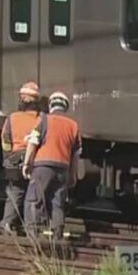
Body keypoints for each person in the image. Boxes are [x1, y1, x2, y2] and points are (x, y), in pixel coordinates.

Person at [22, 91, 80, 239]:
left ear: (51, 105)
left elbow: (33, 142)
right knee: (57, 202)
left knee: (34, 199)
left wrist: (27, 163)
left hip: (43, 166)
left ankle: (33, 234)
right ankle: (57, 235)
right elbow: (75, 155)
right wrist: (73, 175)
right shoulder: (73, 126)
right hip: (63, 169)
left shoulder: (44, 120)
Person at [0, 81, 43, 234]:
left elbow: (5, 139)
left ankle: (7, 223)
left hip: (14, 159)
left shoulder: (12, 118)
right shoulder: (42, 119)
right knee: (33, 194)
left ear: (21, 99)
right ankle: (32, 228)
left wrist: (8, 157)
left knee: (15, 192)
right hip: (35, 159)